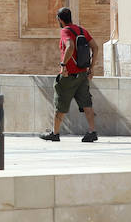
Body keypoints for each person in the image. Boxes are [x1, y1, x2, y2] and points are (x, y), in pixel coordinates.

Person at [41, 7, 98, 143]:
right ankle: (92, 131)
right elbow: (95, 47)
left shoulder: (65, 31)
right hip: (83, 74)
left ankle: (55, 133)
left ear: (60, 20)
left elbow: (70, 46)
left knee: (60, 102)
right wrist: (92, 67)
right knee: (86, 103)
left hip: (69, 75)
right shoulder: (82, 30)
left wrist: (63, 65)